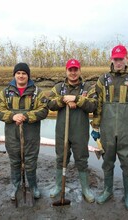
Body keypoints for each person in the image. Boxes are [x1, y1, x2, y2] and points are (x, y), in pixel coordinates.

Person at [90, 45, 128, 210]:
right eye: (116, 59)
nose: (118, 62)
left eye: (121, 58)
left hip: (126, 130)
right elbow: (97, 106)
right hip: (106, 129)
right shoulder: (103, 80)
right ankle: (108, 190)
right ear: (111, 59)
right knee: (107, 161)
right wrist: (96, 127)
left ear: (126, 59)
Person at [0, 62, 48, 200]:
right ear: (14, 75)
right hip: (12, 135)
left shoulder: (37, 92)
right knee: (15, 161)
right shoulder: (5, 92)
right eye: (18, 73)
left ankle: (33, 186)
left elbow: (44, 110)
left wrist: (26, 116)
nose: (21, 76)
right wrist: (13, 116)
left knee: (30, 161)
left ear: (28, 75)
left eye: (24, 73)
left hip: (31, 135)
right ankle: (15, 185)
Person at [48, 59, 97, 203]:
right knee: (61, 158)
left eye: (76, 69)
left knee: (82, 159)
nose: (73, 73)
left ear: (80, 70)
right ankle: (58, 186)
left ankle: (85, 188)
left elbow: (93, 105)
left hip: (80, 130)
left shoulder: (88, 88)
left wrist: (77, 99)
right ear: (66, 71)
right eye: (70, 70)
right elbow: (50, 104)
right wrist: (64, 99)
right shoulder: (58, 88)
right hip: (62, 130)